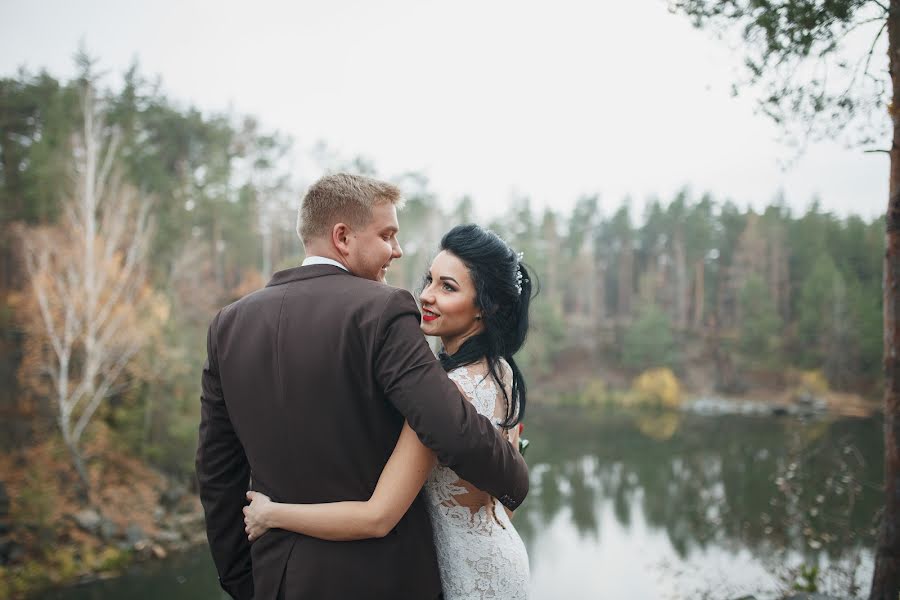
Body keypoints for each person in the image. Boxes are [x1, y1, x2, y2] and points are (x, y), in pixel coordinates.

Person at [196, 175, 529, 600]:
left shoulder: (227, 325)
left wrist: (243, 580)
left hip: (279, 577)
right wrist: (515, 480)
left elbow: (217, 471)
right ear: (343, 237)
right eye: (387, 235)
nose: (397, 250)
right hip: (383, 578)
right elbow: (448, 423)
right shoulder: (381, 308)